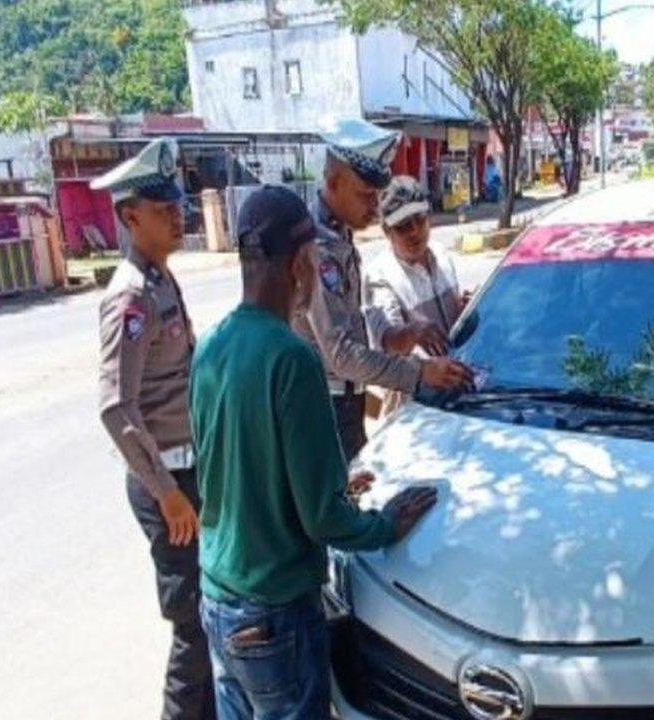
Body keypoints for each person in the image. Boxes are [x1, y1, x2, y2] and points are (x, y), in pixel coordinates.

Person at [190, 185, 439, 720]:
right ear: (303, 262)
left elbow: (227, 473)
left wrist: (329, 484)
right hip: (275, 612)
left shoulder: (211, 347)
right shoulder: (295, 361)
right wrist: (382, 525)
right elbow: (325, 521)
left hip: (217, 598)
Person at [94, 139, 215, 720]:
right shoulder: (131, 297)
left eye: (178, 203)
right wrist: (167, 492)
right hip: (164, 483)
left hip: (189, 472)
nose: (178, 214)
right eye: (162, 207)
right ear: (129, 216)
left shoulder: (162, 279)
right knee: (192, 626)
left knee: (210, 614)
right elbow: (116, 410)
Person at [293, 118, 470, 461]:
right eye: (366, 195)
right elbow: (342, 354)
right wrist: (420, 372)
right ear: (334, 182)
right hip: (321, 409)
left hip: (346, 404)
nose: (375, 207)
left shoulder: (339, 240)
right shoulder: (318, 250)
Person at [364, 176, 470, 416]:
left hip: (458, 392)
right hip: (414, 406)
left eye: (419, 220)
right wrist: (413, 333)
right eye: (403, 226)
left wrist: (467, 309)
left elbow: (454, 323)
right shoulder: (379, 276)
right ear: (387, 231)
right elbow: (387, 341)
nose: (414, 232)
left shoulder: (442, 256)